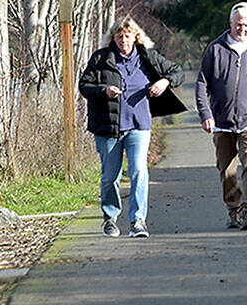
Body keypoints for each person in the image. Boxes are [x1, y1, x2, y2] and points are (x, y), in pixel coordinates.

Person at [78, 16, 185, 238]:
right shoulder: (101, 58)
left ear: (136, 37)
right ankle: (110, 217)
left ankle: (138, 221)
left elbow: (177, 72)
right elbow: (84, 85)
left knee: (139, 171)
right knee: (111, 176)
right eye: (119, 37)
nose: (123, 41)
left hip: (139, 125)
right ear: (113, 39)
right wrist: (103, 90)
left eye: (127, 36)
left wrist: (164, 82)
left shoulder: (148, 57)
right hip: (108, 127)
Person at [195, 1, 247, 230]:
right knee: (227, 169)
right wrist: (205, 114)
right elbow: (202, 84)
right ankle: (233, 209)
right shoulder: (215, 49)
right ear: (231, 23)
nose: (242, 29)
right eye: (238, 24)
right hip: (221, 122)